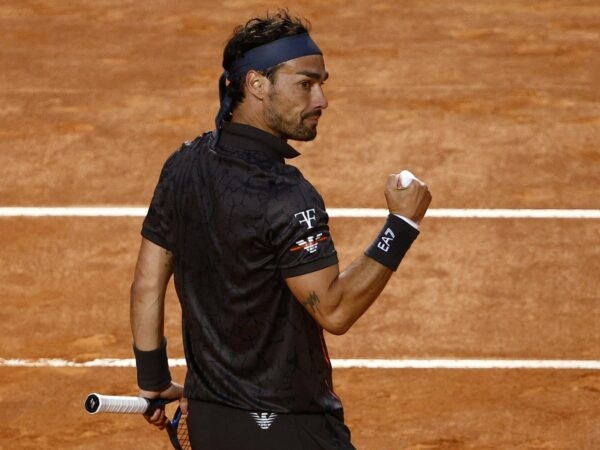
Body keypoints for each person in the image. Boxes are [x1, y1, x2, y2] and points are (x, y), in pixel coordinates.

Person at [130, 10, 431, 450]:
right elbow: (335, 310)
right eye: (305, 84)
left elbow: (146, 284)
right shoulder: (287, 196)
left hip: (210, 422)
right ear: (256, 84)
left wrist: (153, 378)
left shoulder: (183, 164)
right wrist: (401, 225)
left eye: (322, 83)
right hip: (292, 428)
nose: (321, 99)